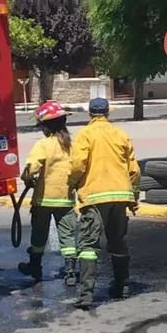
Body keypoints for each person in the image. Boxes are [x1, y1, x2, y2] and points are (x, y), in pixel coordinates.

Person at [68, 97, 141, 309]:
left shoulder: (85, 135)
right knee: (117, 241)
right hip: (120, 196)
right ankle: (122, 286)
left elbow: (77, 165)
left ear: (90, 114)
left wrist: (72, 184)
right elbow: (134, 171)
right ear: (108, 113)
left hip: (95, 196)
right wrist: (132, 196)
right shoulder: (121, 134)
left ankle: (86, 295)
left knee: (88, 245)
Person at [18, 100, 78, 286]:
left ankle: (35, 267)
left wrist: (26, 178)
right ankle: (70, 274)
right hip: (66, 199)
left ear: (45, 126)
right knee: (67, 237)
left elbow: (32, 169)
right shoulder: (71, 145)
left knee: (39, 237)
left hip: (43, 200)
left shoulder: (43, 145)